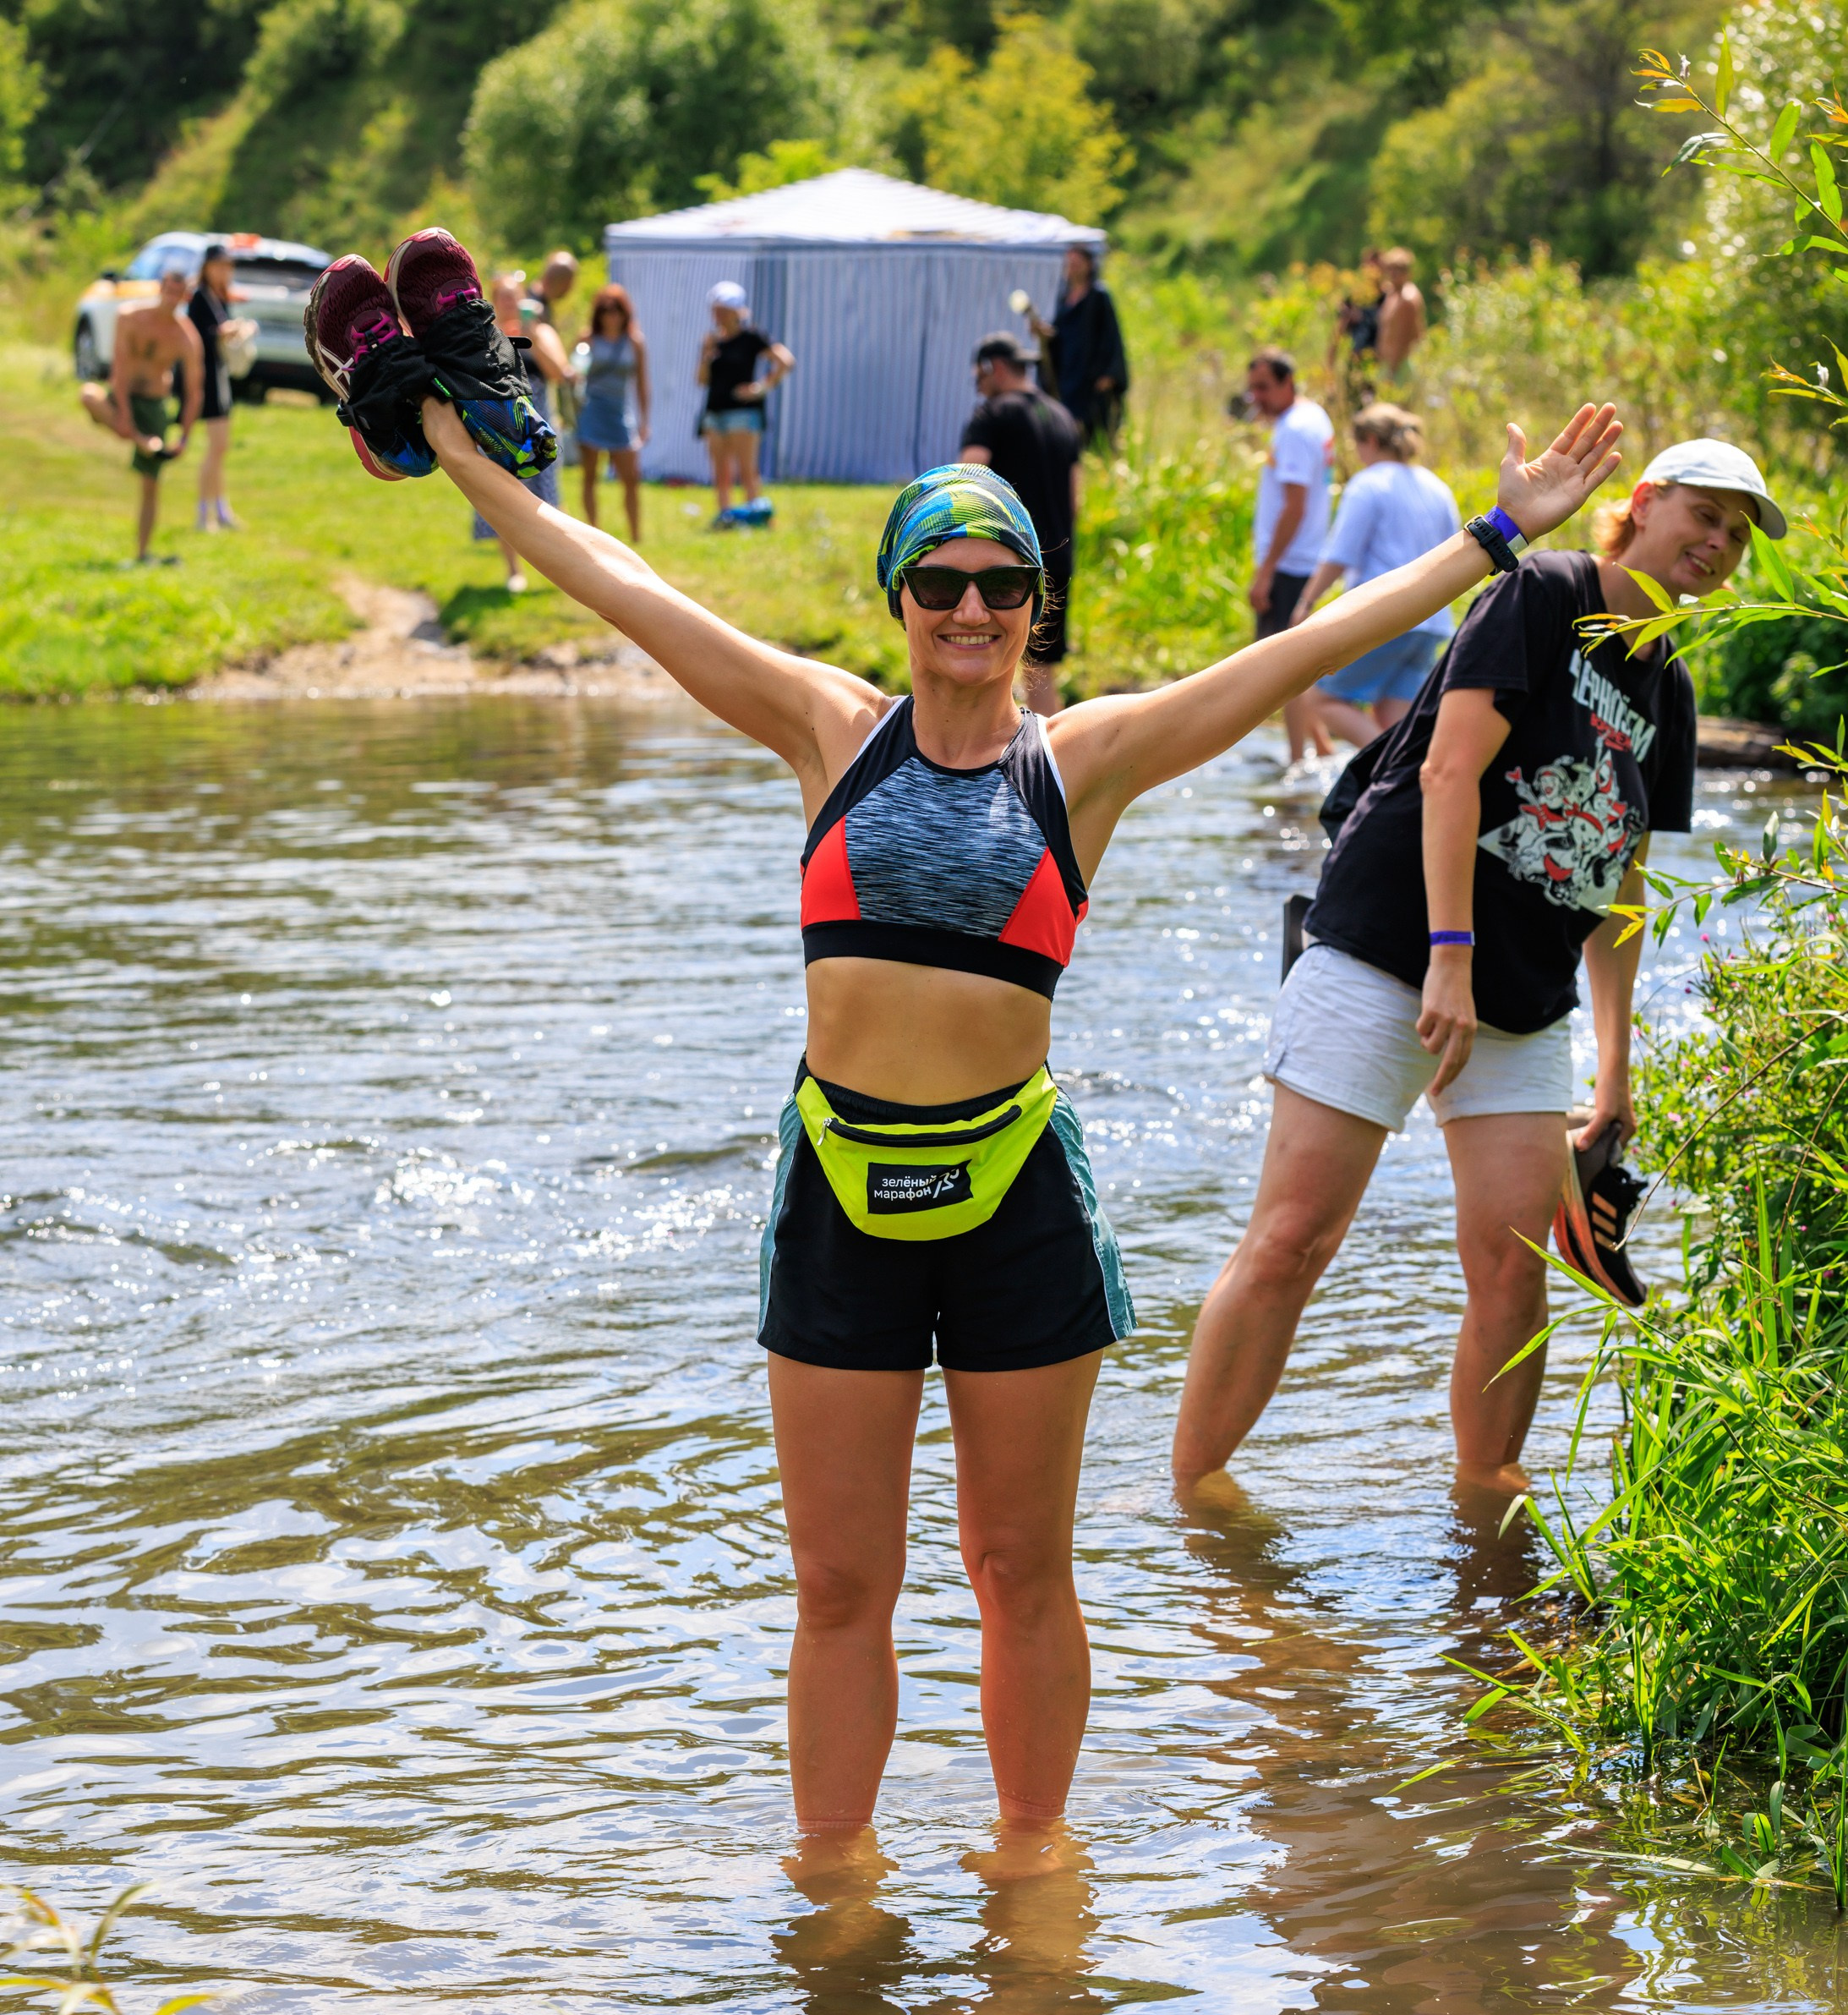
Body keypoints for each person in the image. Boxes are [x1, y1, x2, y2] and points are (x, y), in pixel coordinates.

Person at [308, 226, 1623, 1837]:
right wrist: (460, 460)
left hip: (1014, 1206)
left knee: (1019, 1572)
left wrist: (1493, 539)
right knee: (845, 1584)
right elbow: (630, 588)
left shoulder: (1087, 763)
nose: (973, 610)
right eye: (941, 582)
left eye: (1004, 585)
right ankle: (837, 1892)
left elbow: (1300, 651)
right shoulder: (824, 727)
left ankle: (1029, 1872)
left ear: (1031, 604)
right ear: (900, 598)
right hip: (843, 1200)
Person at [1172, 437, 1784, 1506]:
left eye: (1737, 534)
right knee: (1293, 1239)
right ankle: (1192, 1498)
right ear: (1640, 507)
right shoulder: (1541, 594)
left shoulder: (1669, 691)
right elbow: (1450, 770)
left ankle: (1483, 1515)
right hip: (1389, 947)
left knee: (1511, 1272)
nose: (1718, 544)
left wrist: (1616, 1068)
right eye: (1703, 515)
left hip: (1521, 1000)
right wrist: (1445, 959)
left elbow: (1620, 884)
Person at [1281, 403, 1461, 758]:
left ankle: (1390, 770)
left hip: (1387, 615)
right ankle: (1406, 784)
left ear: (1371, 441)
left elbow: (1340, 554)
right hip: (1432, 622)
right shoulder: (1437, 487)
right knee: (1394, 716)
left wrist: (1305, 604)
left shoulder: (1368, 484)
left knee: (1319, 697)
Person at [959, 331, 1082, 716]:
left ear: (992, 367)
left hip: (1007, 561)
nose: (978, 386)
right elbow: (1076, 500)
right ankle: (1049, 762)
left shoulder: (993, 414)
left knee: (983, 656)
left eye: (978, 375)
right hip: (1057, 559)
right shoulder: (1062, 416)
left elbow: (965, 484)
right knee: (1041, 668)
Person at [79, 265, 205, 563]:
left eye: (179, 293)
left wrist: (185, 437)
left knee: (150, 486)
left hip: (152, 405)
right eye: (168, 290)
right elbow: (119, 369)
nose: (171, 298)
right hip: (121, 396)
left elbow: (194, 391)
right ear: (160, 288)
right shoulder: (130, 317)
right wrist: (123, 415)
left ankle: (142, 554)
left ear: (185, 296)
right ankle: (141, 441)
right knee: (87, 395)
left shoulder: (185, 337)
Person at [472, 271, 570, 592]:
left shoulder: (540, 332)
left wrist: (533, 333)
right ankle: (514, 570)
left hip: (538, 424)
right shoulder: (485, 336)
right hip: (499, 425)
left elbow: (558, 373)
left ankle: (563, 569)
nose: (510, 302)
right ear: (493, 302)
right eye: (503, 297)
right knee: (504, 499)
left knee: (548, 498)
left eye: (515, 296)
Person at [1243, 349, 1333, 653]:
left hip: (1288, 566)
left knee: (1267, 670)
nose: (1256, 397)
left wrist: (1266, 571)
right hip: (1302, 559)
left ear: (1288, 383)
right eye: (1252, 388)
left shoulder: (1295, 429)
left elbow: (1294, 507)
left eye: (1264, 387)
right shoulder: (1312, 416)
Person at [697, 281, 793, 527]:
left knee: (746, 470)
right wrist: (707, 357)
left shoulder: (752, 337)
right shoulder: (711, 341)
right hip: (715, 412)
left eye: (723, 310)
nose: (717, 315)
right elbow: (701, 380)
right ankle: (725, 517)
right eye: (715, 309)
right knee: (721, 471)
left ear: (736, 311)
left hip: (744, 413)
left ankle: (756, 516)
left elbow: (785, 361)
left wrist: (761, 387)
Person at [1026, 247, 1128, 448]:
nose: (1071, 268)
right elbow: (1062, 335)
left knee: (1095, 427)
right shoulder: (1064, 297)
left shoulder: (1098, 296)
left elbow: (1111, 335)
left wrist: (1110, 373)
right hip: (1068, 372)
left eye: (1076, 263)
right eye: (1069, 263)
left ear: (1089, 266)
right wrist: (1047, 335)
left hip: (1091, 375)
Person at [575, 283, 650, 542]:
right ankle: (593, 530)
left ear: (625, 312)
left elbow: (642, 384)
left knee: (631, 478)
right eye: (606, 310)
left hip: (620, 413)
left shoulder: (635, 342)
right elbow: (573, 375)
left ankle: (635, 534)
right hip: (592, 410)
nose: (612, 315)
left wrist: (645, 422)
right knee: (590, 476)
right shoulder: (587, 339)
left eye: (617, 310)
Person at [187, 244, 250, 532]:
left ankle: (222, 509)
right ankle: (204, 514)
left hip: (219, 372)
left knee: (221, 447)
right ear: (207, 267)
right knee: (216, 447)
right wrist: (237, 329)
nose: (224, 270)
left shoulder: (219, 297)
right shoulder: (199, 297)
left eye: (228, 266)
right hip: (205, 376)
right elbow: (209, 334)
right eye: (219, 265)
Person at [1375, 247, 1427, 381]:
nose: (1393, 273)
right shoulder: (1392, 294)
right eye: (1391, 268)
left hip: (1401, 365)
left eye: (1398, 269)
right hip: (1388, 364)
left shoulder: (1408, 298)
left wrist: (1392, 370)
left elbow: (1403, 338)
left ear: (1407, 272)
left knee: (1397, 401)